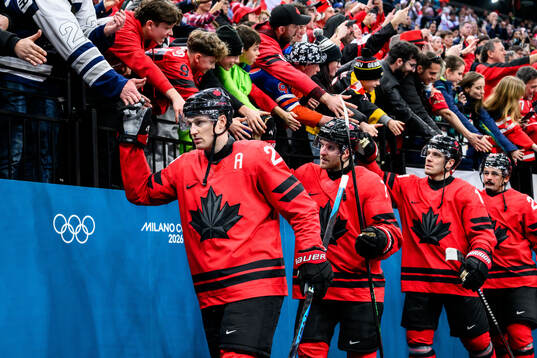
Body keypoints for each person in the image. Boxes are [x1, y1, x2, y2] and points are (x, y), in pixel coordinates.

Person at [118, 88, 333, 358]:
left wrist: (311, 252)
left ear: (221, 122)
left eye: (200, 123)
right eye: (189, 123)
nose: (192, 130)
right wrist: (131, 142)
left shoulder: (257, 155)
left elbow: (301, 207)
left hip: (255, 285)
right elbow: (141, 192)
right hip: (209, 292)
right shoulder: (184, 165)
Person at [362, 135, 498, 358]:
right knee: (418, 346)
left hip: (458, 280)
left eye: (437, 155)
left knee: (480, 346)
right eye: (429, 153)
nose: (428, 158)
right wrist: (369, 156)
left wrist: (478, 258)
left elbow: (483, 234)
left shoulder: (466, 192)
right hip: (420, 283)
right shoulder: (408, 185)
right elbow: (376, 179)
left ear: (451, 163)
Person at [292, 119, 402, 358]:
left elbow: (392, 231)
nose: (322, 151)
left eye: (331, 147)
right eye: (321, 144)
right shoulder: (305, 174)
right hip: (317, 284)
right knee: (308, 353)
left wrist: (379, 238)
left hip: (360, 288)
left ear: (347, 152)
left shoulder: (370, 181)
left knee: (361, 354)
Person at [1, 0, 144, 182]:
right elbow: (72, 43)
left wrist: (104, 32)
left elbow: (82, 35)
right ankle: (7, 204)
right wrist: (117, 84)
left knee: (44, 151)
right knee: (13, 148)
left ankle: (38, 203)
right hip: (14, 75)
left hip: (47, 81)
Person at [479, 153, 537, 358]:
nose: (489, 178)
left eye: (495, 174)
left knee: (520, 338)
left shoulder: (523, 202)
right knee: (497, 340)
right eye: (486, 173)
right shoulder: (474, 200)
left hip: (520, 281)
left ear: (506, 177)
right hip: (487, 282)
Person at [253, 4, 352, 118]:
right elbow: (289, 72)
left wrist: (321, 95)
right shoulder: (265, 45)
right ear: (281, 29)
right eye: (296, 26)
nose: (300, 31)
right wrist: (325, 98)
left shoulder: (275, 35)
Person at [107, 0, 185, 121]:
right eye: (167, 28)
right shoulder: (123, 26)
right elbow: (145, 65)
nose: (171, 33)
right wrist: (175, 96)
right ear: (149, 24)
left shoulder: (146, 33)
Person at [375, 41, 440, 138]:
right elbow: (404, 110)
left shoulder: (372, 63)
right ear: (399, 61)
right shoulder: (389, 82)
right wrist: (436, 136)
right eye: (412, 65)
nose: (413, 70)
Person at [458, 72, 523, 165]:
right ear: (467, 88)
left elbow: (493, 128)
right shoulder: (455, 99)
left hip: (473, 151)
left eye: (483, 88)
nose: (483, 91)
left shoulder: (479, 106)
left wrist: (511, 149)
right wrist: (460, 106)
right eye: (478, 88)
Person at [467, 38, 537, 99]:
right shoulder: (483, 69)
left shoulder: (496, 70)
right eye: (501, 50)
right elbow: (511, 66)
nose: (505, 53)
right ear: (490, 53)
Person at [516, 66, 537, 143]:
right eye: (533, 87)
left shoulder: (527, 101)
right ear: (521, 85)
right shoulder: (519, 104)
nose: (536, 90)